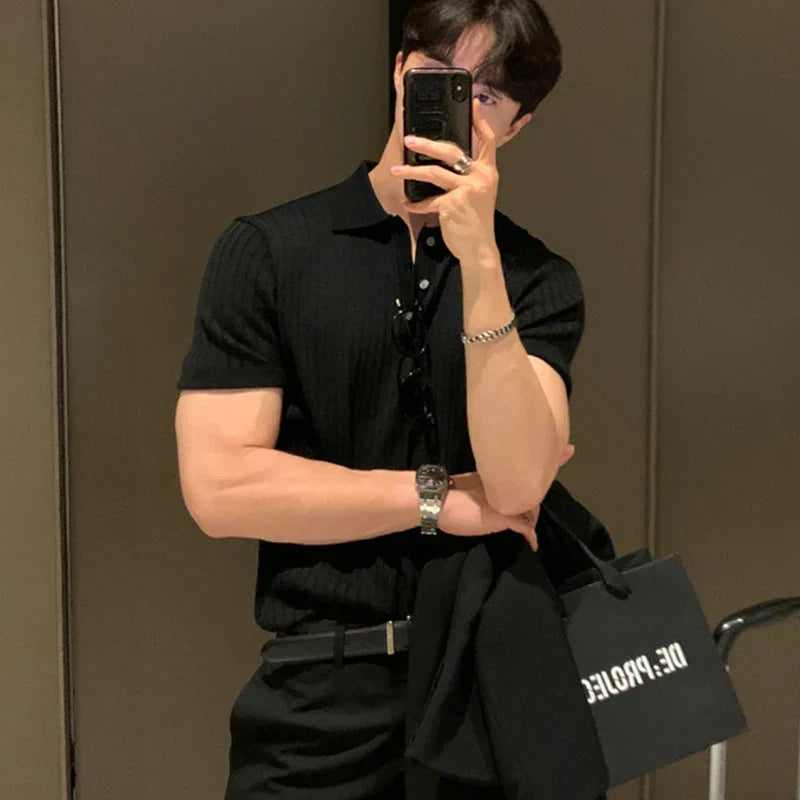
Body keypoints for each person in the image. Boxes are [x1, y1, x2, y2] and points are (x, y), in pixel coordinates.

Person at [175, 1, 603, 797]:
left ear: (517, 125)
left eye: (486, 94)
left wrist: (480, 262)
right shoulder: (268, 252)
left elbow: (516, 485)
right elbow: (219, 489)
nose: (458, 104)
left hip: (489, 690)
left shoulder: (536, 280)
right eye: (440, 75)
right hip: (320, 691)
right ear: (402, 73)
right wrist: (438, 499)